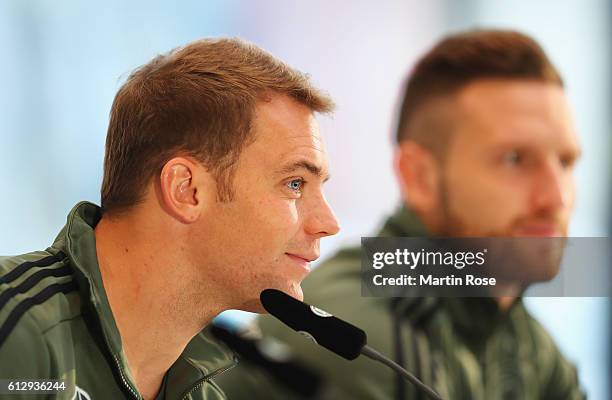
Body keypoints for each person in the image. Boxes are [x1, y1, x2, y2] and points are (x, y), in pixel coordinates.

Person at [216, 29, 585, 399]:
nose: (556, 197)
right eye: (515, 159)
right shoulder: (366, 335)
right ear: (420, 177)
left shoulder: (522, 340)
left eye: (566, 162)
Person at [0, 38, 340, 400]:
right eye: (294, 183)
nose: (329, 223)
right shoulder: (14, 331)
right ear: (186, 189)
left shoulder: (203, 391)